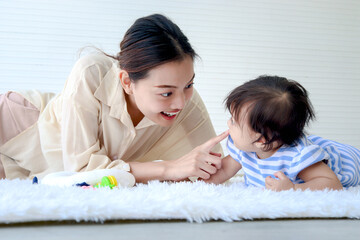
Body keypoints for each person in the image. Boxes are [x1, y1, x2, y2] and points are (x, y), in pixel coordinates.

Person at [0, 14, 228, 182]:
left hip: (42, 174)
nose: (180, 102)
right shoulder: (92, 72)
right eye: (166, 93)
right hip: (19, 126)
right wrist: (167, 168)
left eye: (189, 85)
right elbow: (81, 171)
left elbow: (216, 171)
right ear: (127, 82)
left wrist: (250, 153)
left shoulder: (188, 103)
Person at [205, 75, 360, 191]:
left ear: (262, 140)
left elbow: (332, 184)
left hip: (349, 159)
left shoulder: (298, 156)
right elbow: (224, 170)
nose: (228, 123)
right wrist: (201, 181)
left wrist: (293, 188)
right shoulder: (244, 147)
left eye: (234, 121)